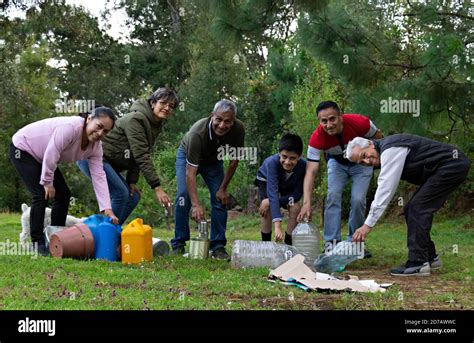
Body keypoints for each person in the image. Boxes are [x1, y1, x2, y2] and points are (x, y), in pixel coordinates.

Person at [345, 134, 470, 276]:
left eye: (364, 155)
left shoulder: (390, 150)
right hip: (447, 166)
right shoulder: (386, 149)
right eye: (361, 162)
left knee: (418, 208)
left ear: (370, 144)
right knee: (412, 208)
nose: (367, 161)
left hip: (452, 164)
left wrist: (367, 225)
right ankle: (430, 257)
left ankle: (418, 263)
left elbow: (385, 189)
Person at [10, 107, 119, 256]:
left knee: (63, 194)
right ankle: (38, 245)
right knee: (41, 194)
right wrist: (47, 182)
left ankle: (56, 239)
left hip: (44, 157)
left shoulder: (96, 147)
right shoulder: (71, 128)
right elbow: (52, 152)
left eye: (106, 131)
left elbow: (99, 176)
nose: (100, 133)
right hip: (23, 148)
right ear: (89, 119)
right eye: (99, 126)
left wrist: (107, 207)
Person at [77, 88, 179, 225]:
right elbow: (141, 155)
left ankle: (111, 230)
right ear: (153, 103)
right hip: (93, 159)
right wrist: (157, 188)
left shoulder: (154, 125)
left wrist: (132, 181)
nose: (167, 108)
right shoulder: (136, 119)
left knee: (133, 196)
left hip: (108, 163)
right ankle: (104, 234)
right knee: (120, 193)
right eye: (163, 103)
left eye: (171, 106)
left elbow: (139, 152)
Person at [297, 101, 383, 254]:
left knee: (358, 199)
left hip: (361, 162)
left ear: (340, 116)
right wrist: (307, 203)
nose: (329, 125)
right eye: (324, 121)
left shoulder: (360, 123)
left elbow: (380, 140)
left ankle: (355, 243)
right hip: (336, 163)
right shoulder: (317, 138)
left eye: (332, 119)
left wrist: (380, 162)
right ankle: (332, 245)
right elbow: (310, 172)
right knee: (333, 196)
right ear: (319, 121)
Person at [171, 99, 245, 260]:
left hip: (213, 160)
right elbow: (190, 173)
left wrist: (223, 188)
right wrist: (196, 205)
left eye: (228, 121)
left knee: (220, 198)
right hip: (188, 155)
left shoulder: (239, 129)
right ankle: (178, 243)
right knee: (183, 196)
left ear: (233, 121)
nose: (222, 125)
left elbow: (234, 161)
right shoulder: (197, 133)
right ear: (212, 116)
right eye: (218, 119)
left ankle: (218, 247)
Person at [255, 134, 306, 245]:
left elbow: (297, 194)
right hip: (266, 181)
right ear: (279, 154)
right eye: (284, 156)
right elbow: (272, 193)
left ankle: (289, 245)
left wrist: (276, 201)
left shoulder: (303, 166)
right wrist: (277, 226)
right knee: (266, 206)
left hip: (287, 185)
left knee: (296, 207)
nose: (287, 162)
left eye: (292, 158)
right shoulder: (271, 163)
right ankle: (266, 246)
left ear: (299, 156)